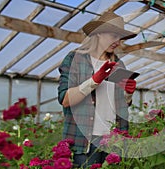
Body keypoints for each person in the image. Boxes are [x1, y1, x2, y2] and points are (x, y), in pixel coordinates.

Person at [57, 11, 137, 168]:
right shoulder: (75, 59)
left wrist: (128, 94)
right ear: (99, 34)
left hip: (113, 141)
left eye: (120, 38)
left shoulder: (119, 65)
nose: (118, 42)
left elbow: (120, 106)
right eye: (113, 36)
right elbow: (65, 100)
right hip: (85, 140)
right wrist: (94, 80)